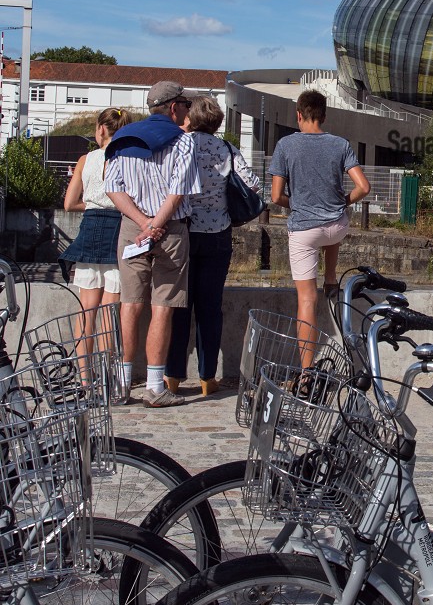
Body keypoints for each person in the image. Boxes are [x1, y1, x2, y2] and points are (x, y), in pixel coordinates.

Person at [105, 80, 201, 408]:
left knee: (130, 303)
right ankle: (155, 386)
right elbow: (177, 192)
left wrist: (143, 224)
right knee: (163, 305)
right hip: (170, 229)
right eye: (186, 105)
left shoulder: (123, 138)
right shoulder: (183, 142)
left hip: (133, 226)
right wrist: (157, 225)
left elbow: (113, 187)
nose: (188, 111)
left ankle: (120, 384)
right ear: (174, 107)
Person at [164, 95, 261, 397]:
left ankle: (173, 376)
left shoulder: (180, 145)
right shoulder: (227, 149)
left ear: (190, 118)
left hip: (184, 231)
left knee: (179, 305)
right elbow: (254, 184)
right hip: (218, 233)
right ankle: (208, 377)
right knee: (210, 307)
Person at [270, 89, 370, 366]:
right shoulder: (340, 144)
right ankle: (330, 277)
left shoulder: (286, 146)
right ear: (324, 116)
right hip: (336, 226)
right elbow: (364, 187)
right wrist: (342, 202)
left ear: (298, 115)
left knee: (306, 300)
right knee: (331, 223)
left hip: (305, 229)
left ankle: (306, 371)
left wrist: (300, 204)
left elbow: (276, 196)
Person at [61, 107, 129, 375]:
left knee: (86, 310)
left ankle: (85, 377)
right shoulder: (128, 159)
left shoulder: (84, 160)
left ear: (101, 128)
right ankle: (106, 375)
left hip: (89, 231)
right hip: (118, 230)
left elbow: (69, 204)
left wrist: (91, 203)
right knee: (109, 313)